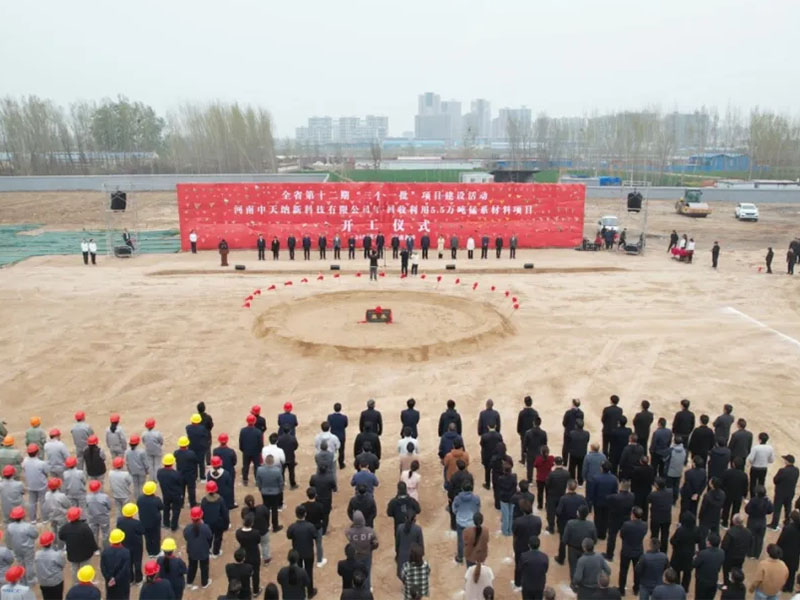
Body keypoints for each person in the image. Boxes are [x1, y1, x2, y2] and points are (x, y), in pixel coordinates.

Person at [287, 505, 318, 598]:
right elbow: (315, 536)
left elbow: (289, 536)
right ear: (305, 514)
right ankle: (310, 592)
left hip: (297, 554)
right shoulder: (310, 526)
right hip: (308, 553)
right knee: (309, 572)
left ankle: (301, 590)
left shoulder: (292, 527)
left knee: (298, 572)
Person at [669, 511, 702, 592]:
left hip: (678, 555)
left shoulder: (680, 530)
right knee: (687, 573)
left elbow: (673, 541)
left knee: (677, 571)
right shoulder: (696, 530)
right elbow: (698, 539)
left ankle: (677, 588)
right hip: (689, 555)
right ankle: (685, 588)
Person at [345, 511, 378, 591]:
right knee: (367, 571)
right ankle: (367, 588)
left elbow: (346, 533)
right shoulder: (370, 531)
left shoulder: (350, 532)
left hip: (356, 555)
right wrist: (371, 548)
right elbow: (376, 543)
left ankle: (357, 587)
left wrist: (353, 526)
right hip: (367, 554)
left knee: (356, 571)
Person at [512, 500, 541, 588]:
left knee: (518, 565)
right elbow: (538, 532)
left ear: (522, 510)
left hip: (520, 545)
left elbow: (514, 533)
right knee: (531, 564)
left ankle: (518, 583)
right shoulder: (538, 520)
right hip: (533, 545)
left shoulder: (518, 521)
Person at [605, 480, 635, 560]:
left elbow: (607, 500)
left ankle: (609, 555)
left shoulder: (614, 497)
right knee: (626, 538)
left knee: (612, 538)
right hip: (626, 520)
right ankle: (626, 553)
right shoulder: (632, 496)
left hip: (614, 520)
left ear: (621, 487)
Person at [453, 483, 480, 564]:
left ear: (462, 489)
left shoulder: (457, 498)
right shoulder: (476, 498)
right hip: (471, 522)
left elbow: (454, 510)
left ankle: (460, 557)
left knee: (460, 540)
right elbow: (477, 510)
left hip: (460, 522)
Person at [100, 529, 131, 600]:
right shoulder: (126, 552)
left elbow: (103, 567)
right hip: (122, 583)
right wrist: (115, 579)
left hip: (109, 582)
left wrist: (109, 578)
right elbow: (125, 569)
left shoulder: (105, 552)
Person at [722, 514, 753, 585]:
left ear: (734, 521)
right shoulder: (748, 532)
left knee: (727, 571)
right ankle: (735, 584)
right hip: (741, 556)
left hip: (730, 557)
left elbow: (724, 546)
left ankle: (726, 585)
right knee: (737, 570)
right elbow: (751, 544)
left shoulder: (730, 532)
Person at [235, 513, 262, 595]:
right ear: (252, 523)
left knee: (245, 573)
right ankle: (256, 591)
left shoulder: (238, 532)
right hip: (254, 555)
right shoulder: (256, 533)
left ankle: (246, 590)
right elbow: (258, 541)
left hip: (244, 556)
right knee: (256, 573)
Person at [693, 532, 725, 600]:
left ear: (709, 543)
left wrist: (695, 557)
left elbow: (694, 564)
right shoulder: (722, 552)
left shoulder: (703, 553)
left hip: (702, 581)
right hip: (713, 580)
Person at [747, 485, 774, 559]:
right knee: (760, 538)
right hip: (762, 521)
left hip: (752, 520)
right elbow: (771, 510)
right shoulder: (767, 501)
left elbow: (747, 510)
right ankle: (757, 554)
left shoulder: (753, 500)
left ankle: (750, 553)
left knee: (751, 537)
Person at [395, 512, 424, 581]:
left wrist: (397, 555)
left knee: (403, 575)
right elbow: (421, 545)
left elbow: (397, 544)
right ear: (415, 519)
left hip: (402, 556)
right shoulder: (418, 529)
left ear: (405, 518)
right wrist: (421, 556)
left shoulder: (399, 528)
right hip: (414, 557)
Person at [648, 478, 673, 554]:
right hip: (666, 517)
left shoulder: (653, 494)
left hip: (656, 518)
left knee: (654, 535)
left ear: (657, 486)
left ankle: (654, 550)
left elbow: (648, 500)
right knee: (665, 535)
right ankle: (663, 551)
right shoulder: (670, 492)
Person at [544, 457, 569, 534]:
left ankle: (551, 528)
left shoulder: (551, 474)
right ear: (562, 463)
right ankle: (560, 527)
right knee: (561, 512)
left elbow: (547, 484)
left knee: (551, 512)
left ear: (554, 463)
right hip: (562, 494)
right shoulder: (567, 473)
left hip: (552, 495)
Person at [778, 510, 800, 592]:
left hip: (786, 552)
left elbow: (781, 540)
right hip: (795, 554)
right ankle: (789, 587)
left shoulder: (788, 528)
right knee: (792, 571)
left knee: (783, 569)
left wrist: (777, 547)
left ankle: (783, 585)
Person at [748, 432, 775, 499]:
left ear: (759, 439)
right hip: (764, 468)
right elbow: (771, 460)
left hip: (755, 468)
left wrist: (753, 463)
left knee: (753, 483)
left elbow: (751, 459)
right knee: (761, 483)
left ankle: (752, 497)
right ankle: (760, 497)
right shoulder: (770, 448)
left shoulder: (756, 448)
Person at [238, 414, 263, 487]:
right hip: (255, 452)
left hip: (246, 451)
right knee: (257, 466)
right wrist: (259, 451)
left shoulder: (243, 431)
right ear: (254, 421)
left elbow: (241, 442)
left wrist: (243, 450)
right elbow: (260, 444)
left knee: (245, 466)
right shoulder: (258, 432)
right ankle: (257, 481)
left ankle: (245, 480)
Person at [567, 421, 589, 486]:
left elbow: (569, 442)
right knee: (581, 467)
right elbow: (587, 441)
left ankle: (572, 481)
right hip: (582, 453)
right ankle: (580, 481)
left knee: (572, 468)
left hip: (573, 453)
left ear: (576, 426)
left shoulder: (571, 433)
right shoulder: (587, 433)